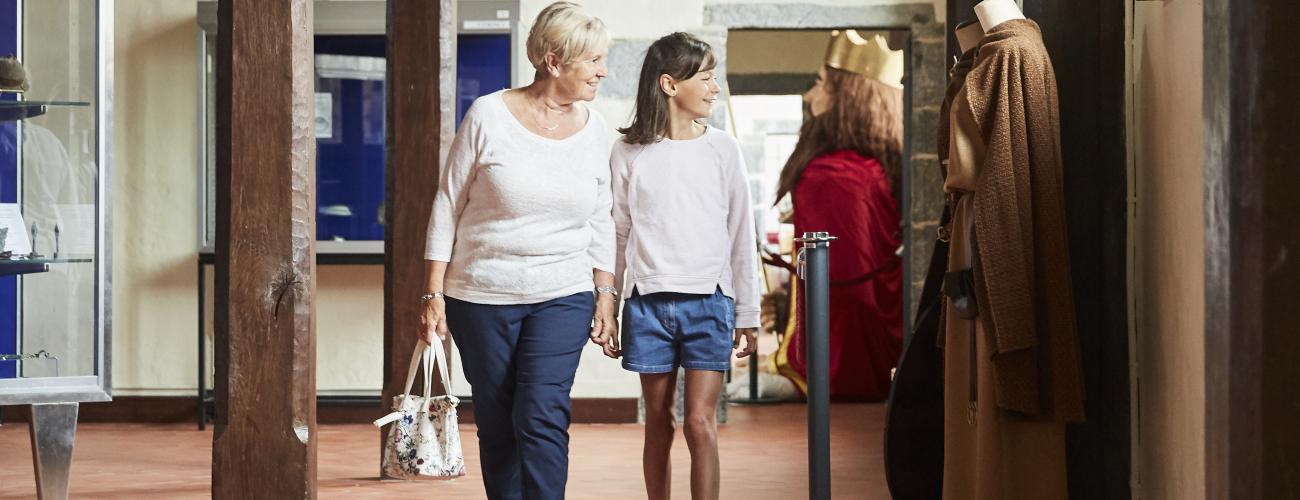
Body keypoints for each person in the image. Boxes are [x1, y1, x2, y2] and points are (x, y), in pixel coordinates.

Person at [417, 3, 616, 498]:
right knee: (498, 418)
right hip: (480, 294)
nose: (602, 71)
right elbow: (448, 202)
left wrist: (606, 293)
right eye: (592, 60)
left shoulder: (596, 129)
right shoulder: (488, 114)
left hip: (563, 291)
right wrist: (432, 294)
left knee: (541, 412)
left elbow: (601, 217)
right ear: (554, 61)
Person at [606, 32, 761, 500]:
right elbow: (616, 233)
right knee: (658, 422)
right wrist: (607, 306)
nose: (716, 88)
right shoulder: (628, 151)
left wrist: (748, 313)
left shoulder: (724, 150)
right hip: (646, 306)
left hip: (710, 304)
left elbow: (740, 235)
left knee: (699, 422)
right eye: (707, 78)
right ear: (670, 84)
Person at [771, 30, 905, 402]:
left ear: (849, 93)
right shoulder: (874, 167)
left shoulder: (831, 174)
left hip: (845, 352)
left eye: (818, 83)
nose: (809, 95)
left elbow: (843, 279)